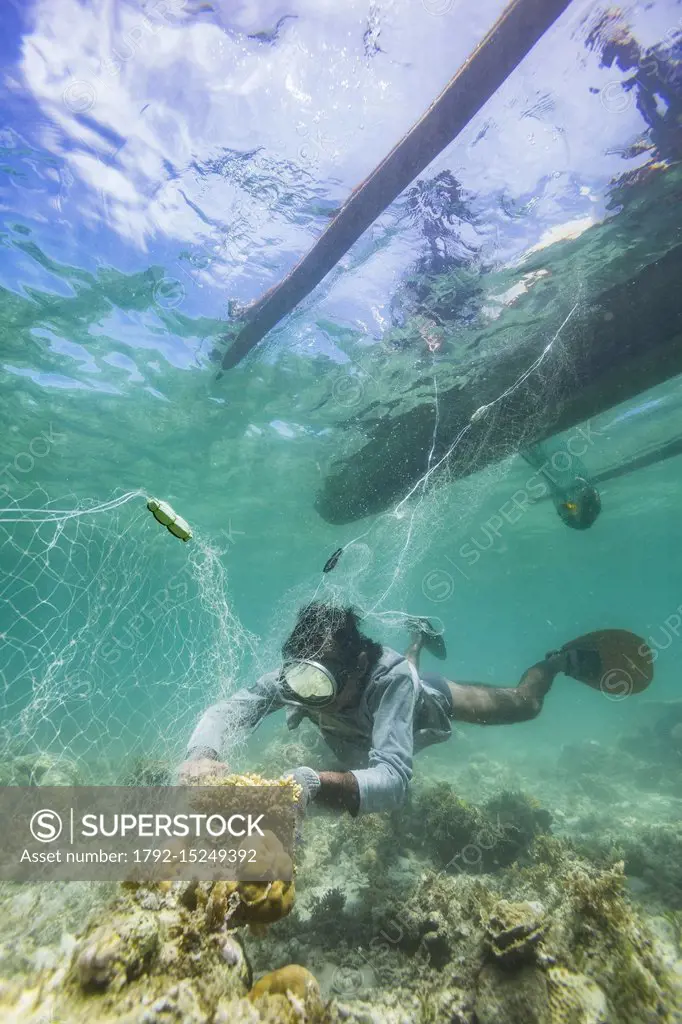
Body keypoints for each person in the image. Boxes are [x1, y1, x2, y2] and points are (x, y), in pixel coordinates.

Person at [178, 603, 580, 817]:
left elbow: (394, 781)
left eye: (322, 683)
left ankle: (558, 661)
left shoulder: (392, 681)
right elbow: (226, 712)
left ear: (358, 668)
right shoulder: (301, 678)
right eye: (301, 677)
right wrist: (201, 756)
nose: (308, 695)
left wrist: (312, 783)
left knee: (524, 706)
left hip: (424, 703)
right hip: (358, 732)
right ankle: (417, 636)